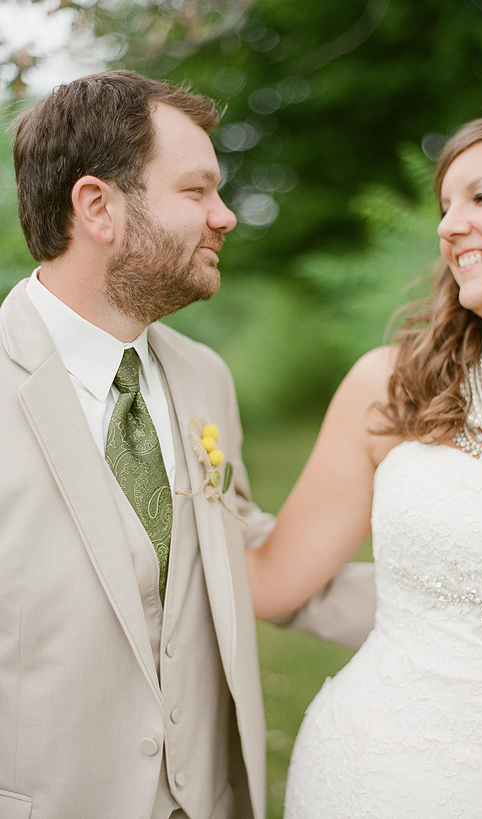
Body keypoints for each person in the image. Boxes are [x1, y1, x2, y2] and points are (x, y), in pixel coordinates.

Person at [0, 70, 375, 819]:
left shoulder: (204, 378)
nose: (226, 216)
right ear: (97, 206)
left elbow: (236, 550)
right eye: (197, 191)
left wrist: (453, 603)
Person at [245, 112, 482, 817]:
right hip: (361, 773)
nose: (449, 225)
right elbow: (271, 584)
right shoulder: (390, 385)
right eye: (445, 207)